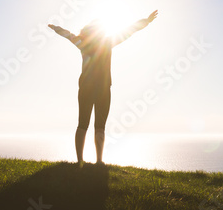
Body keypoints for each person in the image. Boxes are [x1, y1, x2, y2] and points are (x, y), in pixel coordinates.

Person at [48, 10, 158, 165]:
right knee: (99, 126)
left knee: (83, 125)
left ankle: (81, 161)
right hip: (103, 89)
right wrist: (146, 21)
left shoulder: (83, 42)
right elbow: (129, 30)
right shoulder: (107, 43)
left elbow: (68, 34)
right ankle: (98, 161)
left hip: (87, 88)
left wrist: (56, 28)